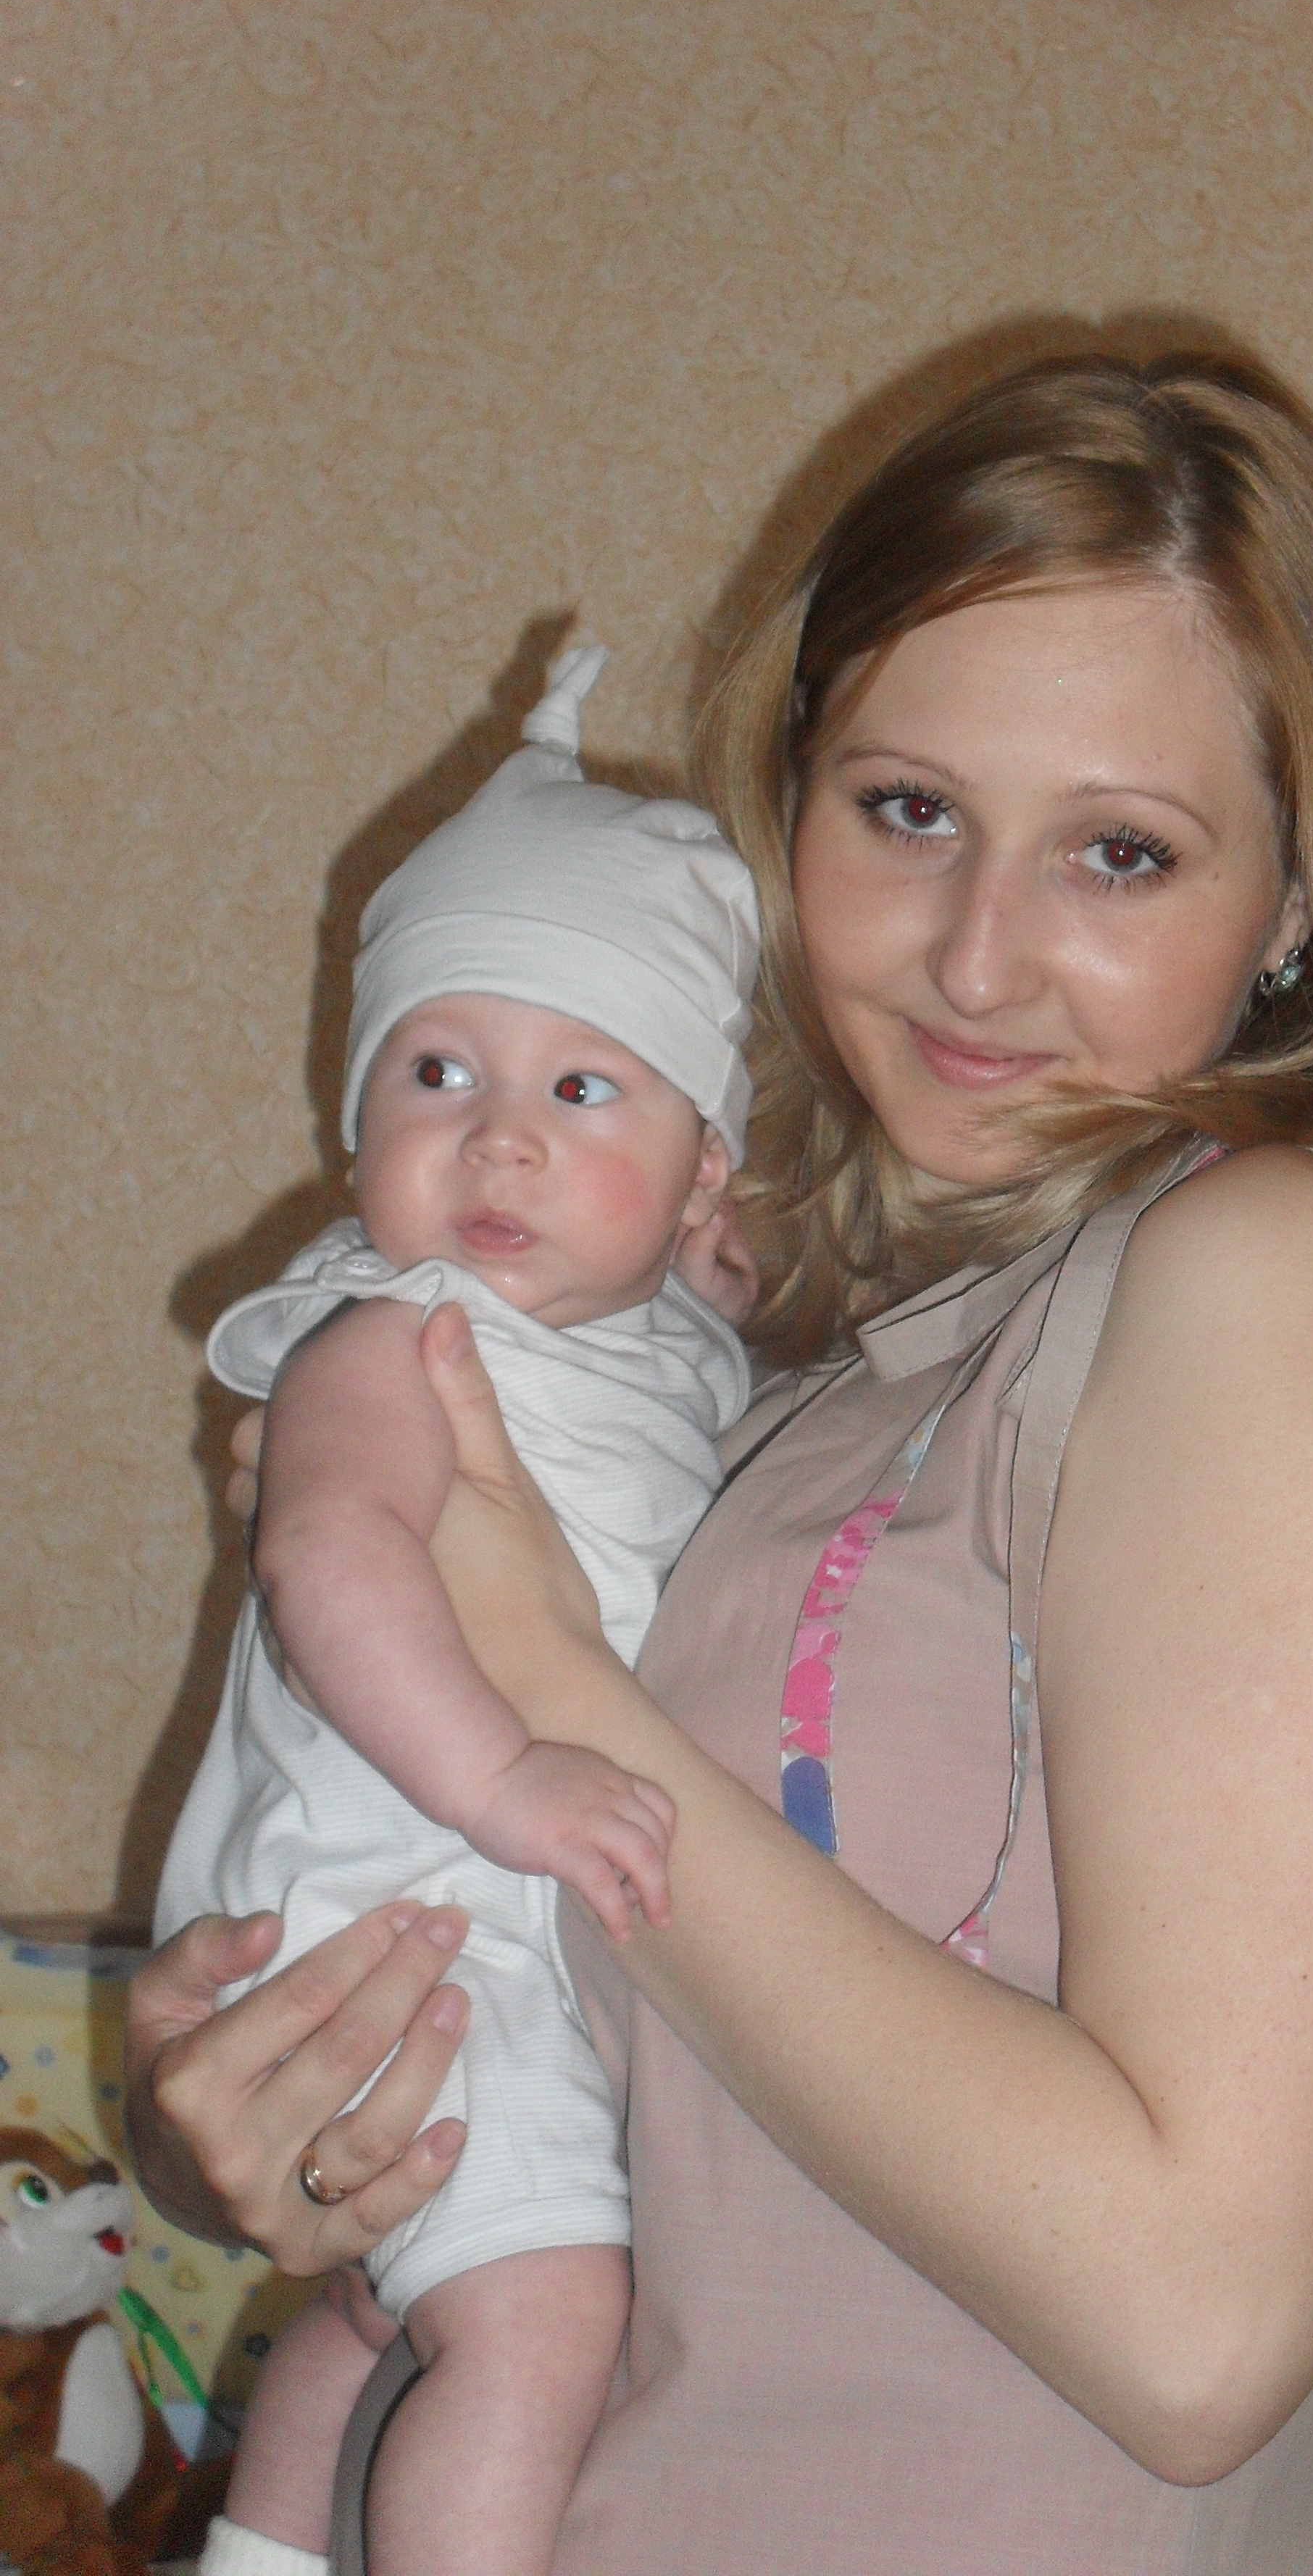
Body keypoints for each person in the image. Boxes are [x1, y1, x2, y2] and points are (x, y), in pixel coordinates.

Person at [128, 345, 1313, 2575]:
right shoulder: (796, 1389)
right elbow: (689, 2082)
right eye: (907, 810)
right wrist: (276, 2118)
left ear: (1292, 908)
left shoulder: (1269, 1277)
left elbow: (1200, 2323)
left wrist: (542, 1683)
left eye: (1123, 852)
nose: (979, 955)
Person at [152, 649, 762, 2576]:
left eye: (583, 1087)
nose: (500, 1137)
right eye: (438, 1073)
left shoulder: (663, 1349)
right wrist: (505, 1778)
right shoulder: (388, 1334)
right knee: (547, 2310)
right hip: (407, 1900)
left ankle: (261, 2551)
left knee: (388, 2305)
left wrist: (710, 1300)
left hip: (483, 1916)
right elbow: (327, 1560)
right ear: (357, 1123)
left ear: (702, 1169)